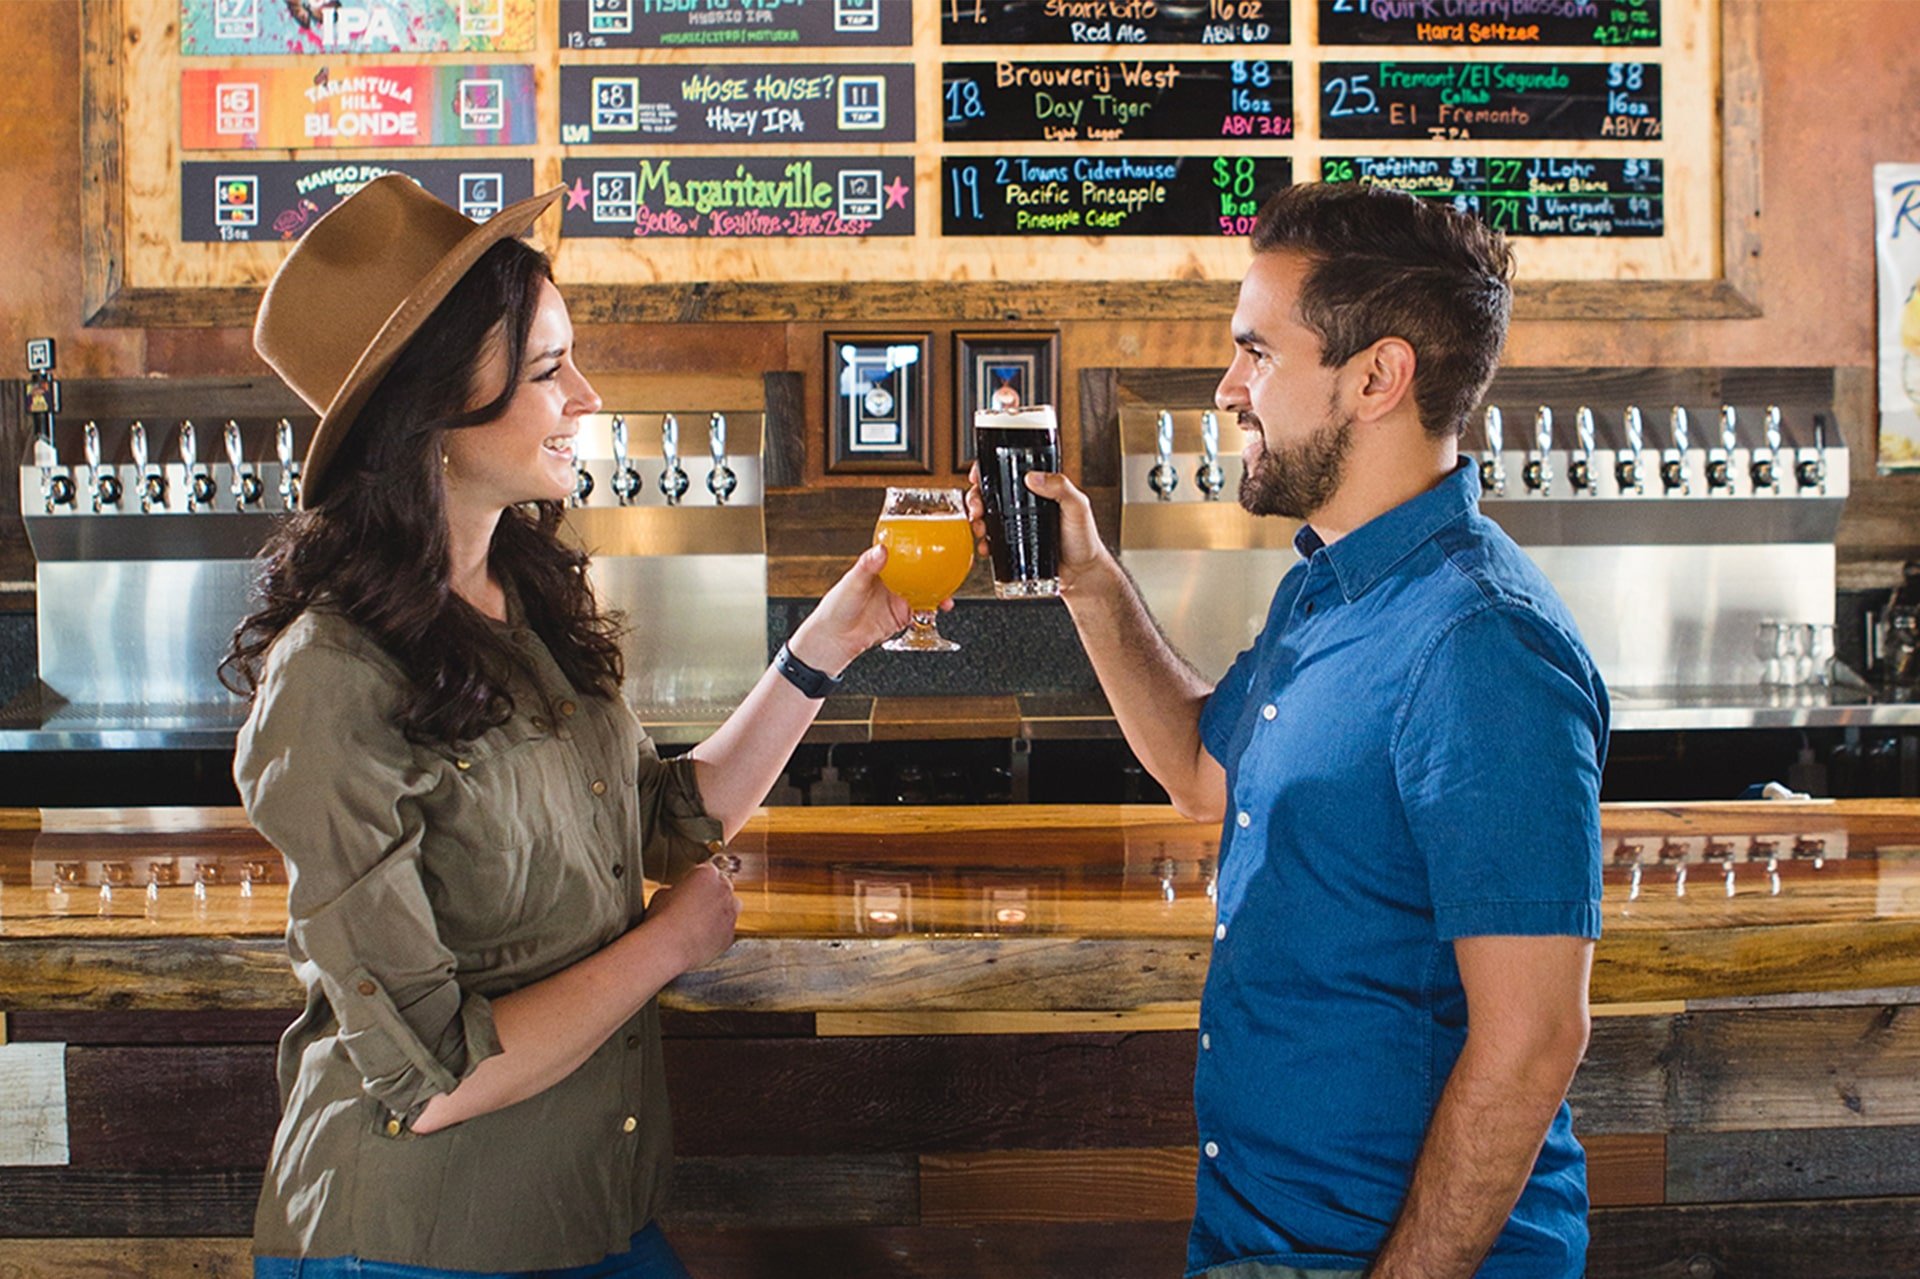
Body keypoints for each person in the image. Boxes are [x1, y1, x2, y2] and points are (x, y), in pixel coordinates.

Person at [222, 176, 915, 1277]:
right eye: (548, 371)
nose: (585, 395)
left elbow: (661, 819)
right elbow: (437, 1074)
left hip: (589, 1212)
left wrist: (830, 641)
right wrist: (674, 942)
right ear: (433, 417)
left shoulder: (525, 597)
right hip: (420, 1242)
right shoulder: (331, 680)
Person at [972, 182, 1606, 1278]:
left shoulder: (1483, 648)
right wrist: (1089, 580)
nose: (1229, 389)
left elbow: (1536, 1033)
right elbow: (1202, 773)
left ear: (1377, 377)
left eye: (1257, 353)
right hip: (1258, 1236)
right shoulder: (1328, 586)